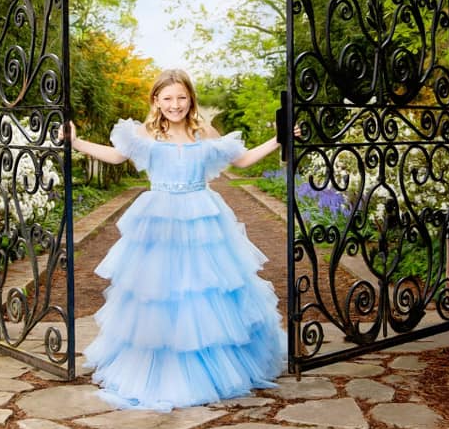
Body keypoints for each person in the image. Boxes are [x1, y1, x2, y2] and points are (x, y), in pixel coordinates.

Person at [66, 68, 287, 411]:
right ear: (155, 101)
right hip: (160, 218)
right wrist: (76, 142)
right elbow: (115, 155)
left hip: (203, 219)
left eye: (182, 97)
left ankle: (211, 368)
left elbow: (241, 160)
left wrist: (279, 139)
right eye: (167, 98)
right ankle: (163, 370)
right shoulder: (146, 132)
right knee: (160, 293)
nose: (175, 104)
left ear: (191, 98)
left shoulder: (204, 130)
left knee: (205, 292)